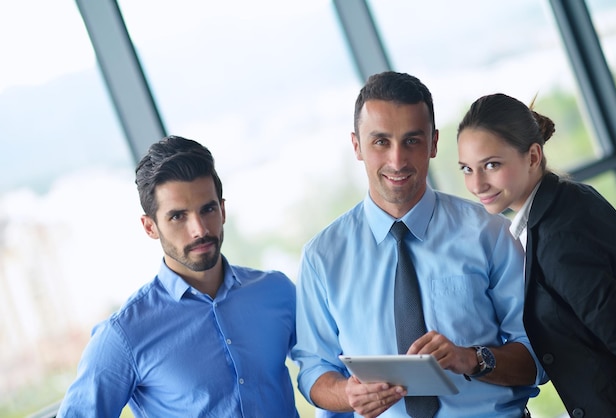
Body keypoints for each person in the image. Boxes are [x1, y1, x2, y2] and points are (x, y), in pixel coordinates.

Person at [292, 71, 544, 418]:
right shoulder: (322, 257)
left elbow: (539, 357)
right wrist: (346, 393)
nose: (397, 161)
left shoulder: (489, 234)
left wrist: (471, 359)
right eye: (381, 142)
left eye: (412, 140)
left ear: (434, 143)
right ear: (357, 146)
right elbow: (312, 369)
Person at [57, 135, 299, 417]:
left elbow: (327, 372)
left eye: (207, 209)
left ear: (222, 210)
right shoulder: (124, 334)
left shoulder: (276, 291)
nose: (199, 229)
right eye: (178, 217)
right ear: (150, 227)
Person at [457, 92, 616, 417]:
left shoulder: (558, 234)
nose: (477, 183)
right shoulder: (566, 199)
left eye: (491, 165)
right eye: (466, 168)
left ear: (532, 156)